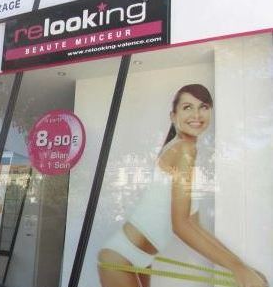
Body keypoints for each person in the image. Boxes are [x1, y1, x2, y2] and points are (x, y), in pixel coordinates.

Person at [98, 84, 268, 287]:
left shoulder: (184, 149)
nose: (196, 114)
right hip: (121, 258)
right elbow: (180, 226)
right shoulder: (184, 149)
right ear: (173, 116)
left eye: (203, 107)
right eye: (188, 107)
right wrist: (238, 269)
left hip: (140, 259)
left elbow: (194, 226)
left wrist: (241, 267)